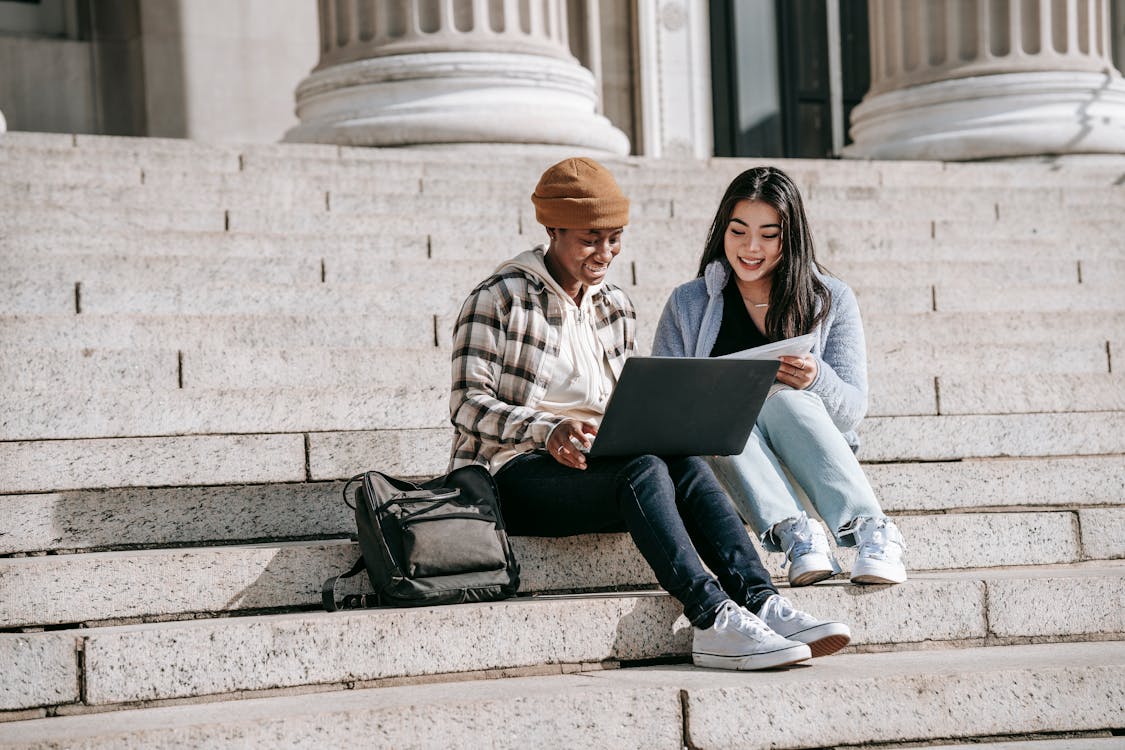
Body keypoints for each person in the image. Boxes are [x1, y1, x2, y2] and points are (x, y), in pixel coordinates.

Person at [449, 157, 852, 671]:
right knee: (644, 469)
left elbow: (630, 399)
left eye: (615, 238)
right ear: (552, 228)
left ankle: (762, 600)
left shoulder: (615, 305)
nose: (605, 253)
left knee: (682, 461)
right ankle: (711, 617)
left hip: (600, 463)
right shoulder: (499, 299)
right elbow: (467, 404)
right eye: (590, 238)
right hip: (514, 474)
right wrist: (548, 430)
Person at [653, 166, 907, 587]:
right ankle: (799, 538)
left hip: (813, 465)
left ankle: (872, 531)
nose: (751, 248)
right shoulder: (688, 302)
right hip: (735, 472)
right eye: (738, 231)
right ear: (722, 232)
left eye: (769, 234)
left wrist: (815, 379)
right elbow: (663, 402)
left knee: (786, 398)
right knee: (719, 416)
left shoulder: (830, 298)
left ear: (790, 237)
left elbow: (851, 413)